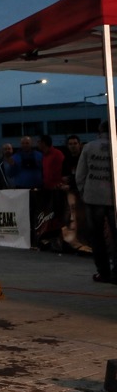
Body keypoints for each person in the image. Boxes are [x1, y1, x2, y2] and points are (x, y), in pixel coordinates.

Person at [75, 120, 117, 284]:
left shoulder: (89, 147)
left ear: (99, 130)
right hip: (114, 198)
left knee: (97, 237)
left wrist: (83, 191)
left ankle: (103, 272)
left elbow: (80, 174)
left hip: (93, 197)